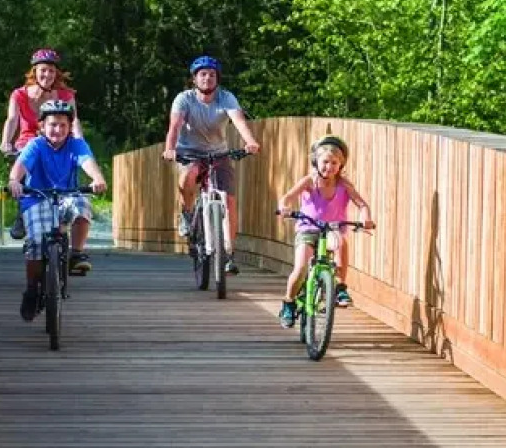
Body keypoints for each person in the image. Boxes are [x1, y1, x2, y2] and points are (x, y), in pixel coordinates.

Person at [8, 99, 108, 321]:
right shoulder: (35, 145)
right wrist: (15, 180)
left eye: (63, 125)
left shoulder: (76, 144)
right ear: (42, 126)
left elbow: (88, 162)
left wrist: (97, 178)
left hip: (67, 195)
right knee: (34, 243)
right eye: (53, 124)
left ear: (69, 127)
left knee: (83, 204)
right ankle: (32, 290)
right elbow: (20, 166)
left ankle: (76, 253)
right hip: (36, 198)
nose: (58, 130)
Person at [160, 55, 260, 274]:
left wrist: (250, 141)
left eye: (212, 75)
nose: (207, 78)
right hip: (189, 152)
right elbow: (174, 127)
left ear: (218, 79)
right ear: (194, 78)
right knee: (189, 175)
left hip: (218, 153)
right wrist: (170, 149)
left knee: (229, 200)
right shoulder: (184, 99)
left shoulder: (226, 98)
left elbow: (239, 121)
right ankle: (187, 213)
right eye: (203, 74)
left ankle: (228, 253)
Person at [275, 135, 373, 328]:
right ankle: (289, 301)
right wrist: (284, 207)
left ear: (341, 165)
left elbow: (362, 204)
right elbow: (287, 197)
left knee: (341, 243)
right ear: (316, 162)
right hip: (308, 228)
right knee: (301, 267)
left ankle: (340, 287)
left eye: (334, 163)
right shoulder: (309, 181)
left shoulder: (344, 185)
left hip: (333, 230)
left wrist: (365, 217)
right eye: (325, 162)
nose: (329, 167)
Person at [0, 49, 82, 157]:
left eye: (51, 71)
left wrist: (80, 141)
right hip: (27, 146)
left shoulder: (65, 96)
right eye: (43, 70)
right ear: (35, 72)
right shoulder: (19, 95)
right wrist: (5, 142)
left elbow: (74, 120)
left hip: (58, 144)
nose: (47, 75)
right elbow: (12, 119)